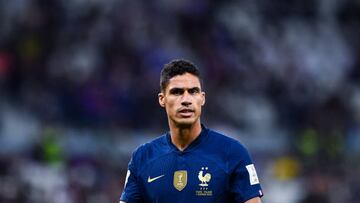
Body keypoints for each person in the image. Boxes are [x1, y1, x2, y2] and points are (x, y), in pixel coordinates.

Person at [120, 59, 263, 203]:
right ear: (162, 99)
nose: (186, 100)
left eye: (193, 91)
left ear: (202, 98)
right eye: (177, 92)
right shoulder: (142, 157)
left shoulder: (233, 153)